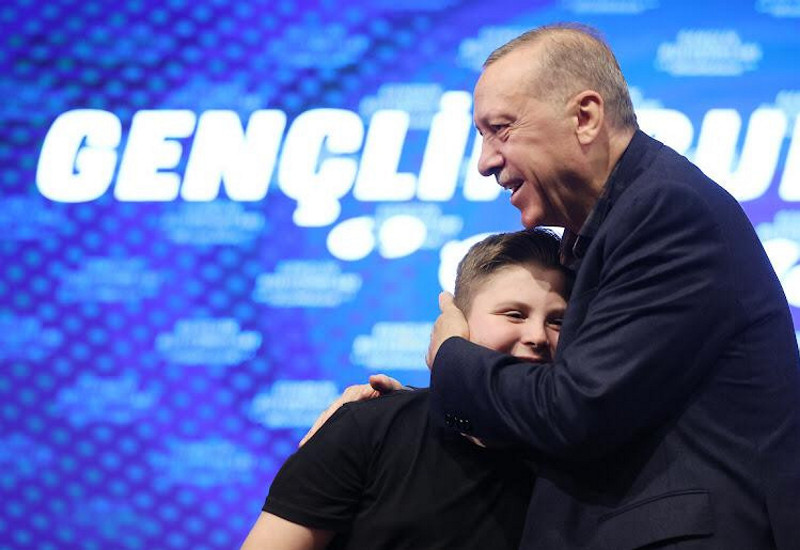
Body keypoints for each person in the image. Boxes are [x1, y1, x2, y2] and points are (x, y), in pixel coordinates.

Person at [423, 22, 800, 550]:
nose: (485, 161)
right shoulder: (612, 225)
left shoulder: (666, 211)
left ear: (585, 117)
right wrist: (391, 415)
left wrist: (451, 358)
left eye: (501, 130)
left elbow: (575, 410)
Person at [240, 228, 573, 550]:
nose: (538, 337)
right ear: (455, 323)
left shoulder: (580, 454)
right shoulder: (371, 429)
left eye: (558, 321)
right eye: (514, 314)